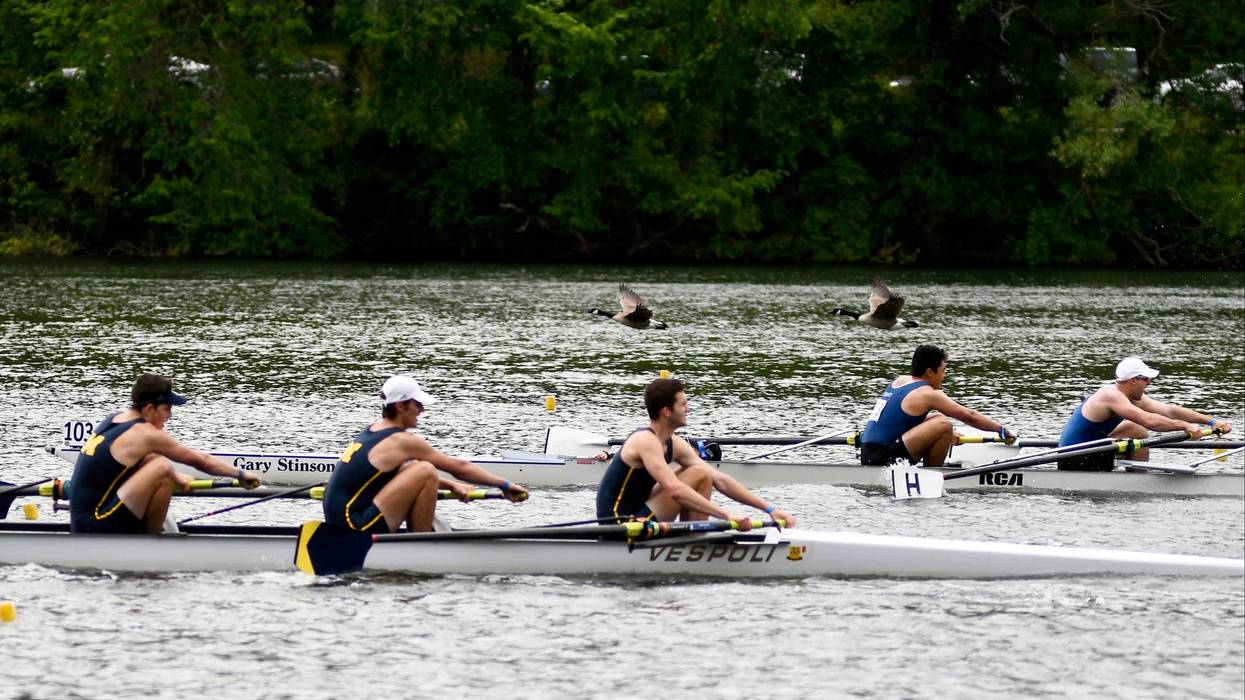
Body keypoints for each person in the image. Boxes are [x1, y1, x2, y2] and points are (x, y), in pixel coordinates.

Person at [322, 375, 529, 533]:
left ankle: (420, 540)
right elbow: (460, 467)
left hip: (342, 522)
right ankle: (422, 545)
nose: (422, 410)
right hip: (354, 527)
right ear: (401, 406)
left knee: (417, 469)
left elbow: (402, 472)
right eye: (418, 404)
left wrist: (452, 486)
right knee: (426, 470)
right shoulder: (400, 441)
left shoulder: (374, 430)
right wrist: (504, 484)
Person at [69, 374, 261, 534]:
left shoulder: (114, 419)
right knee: (163, 469)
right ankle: (153, 545)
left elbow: (145, 459)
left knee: (157, 461)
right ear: (149, 408)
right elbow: (200, 460)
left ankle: (151, 537)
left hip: (83, 521)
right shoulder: (145, 434)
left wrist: (177, 476)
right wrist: (241, 474)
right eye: (167, 408)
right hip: (95, 524)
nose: (170, 415)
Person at [594, 378, 795, 528]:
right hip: (619, 525)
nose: (687, 409)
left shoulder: (675, 443)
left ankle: (695, 539)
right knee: (699, 473)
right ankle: (694, 541)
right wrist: (726, 515)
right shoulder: (645, 441)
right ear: (666, 411)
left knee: (703, 473)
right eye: (683, 404)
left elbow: (720, 479)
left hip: (641, 517)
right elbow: (674, 490)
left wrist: (770, 509)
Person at [1056, 357, 1232, 470]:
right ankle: (1138, 482)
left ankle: (1138, 475)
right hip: (1074, 458)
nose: (1149, 383)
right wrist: (1185, 426)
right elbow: (1149, 421)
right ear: (1133, 380)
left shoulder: (1130, 395)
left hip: (1090, 449)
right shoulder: (1110, 396)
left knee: (1136, 430)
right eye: (1146, 379)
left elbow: (1169, 410)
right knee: (1141, 426)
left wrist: (1211, 421)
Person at [859, 344, 1015, 467]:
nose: (944, 375)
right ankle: (933, 474)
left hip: (869, 452)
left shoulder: (900, 381)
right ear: (929, 372)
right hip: (881, 459)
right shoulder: (928, 394)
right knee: (944, 424)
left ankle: (932, 466)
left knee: (938, 418)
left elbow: (902, 420)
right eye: (943, 370)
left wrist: (947, 436)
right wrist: (1001, 430)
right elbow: (969, 416)